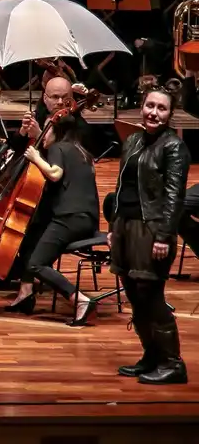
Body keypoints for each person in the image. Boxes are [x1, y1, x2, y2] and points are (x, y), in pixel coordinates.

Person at [109, 80, 191, 384]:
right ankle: (151, 355)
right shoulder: (132, 141)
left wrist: (163, 235)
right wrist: (113, 226)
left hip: (152, 229)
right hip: (125, 226)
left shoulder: (174, 147)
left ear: (170, 114)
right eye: (150, 105)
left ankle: (172, 363)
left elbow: (174, 197)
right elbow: (122, 187)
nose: (153, 112)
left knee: (151, 295)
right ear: (141, 107)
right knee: (133, 293)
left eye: (161, 108)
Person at [1, 115, 100, 326]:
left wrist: (36, 157)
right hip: (87, 220)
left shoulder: (58, 148)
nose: (43, 135)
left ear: (57, 132)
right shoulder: (80, 151)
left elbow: (55, 174)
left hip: (69, 218)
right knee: (33, 233)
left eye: (47, 130)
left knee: (36, 264)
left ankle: (80, 300)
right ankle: (25, 292)